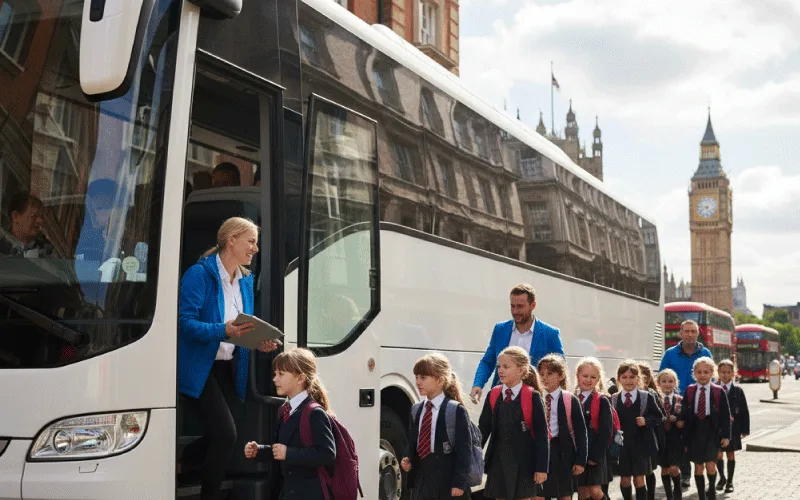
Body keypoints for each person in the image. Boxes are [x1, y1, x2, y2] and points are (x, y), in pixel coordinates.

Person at [178, 217, 278, 500]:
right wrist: (223, 329)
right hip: (200, 367)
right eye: (251, 241)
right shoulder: (199, 275)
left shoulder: (245, 281)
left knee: (222, 435)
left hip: (228, 368)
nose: (255, 249)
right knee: (225, 434)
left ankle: (184, 461)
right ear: (231, 240)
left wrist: (259, 341)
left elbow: (240, 329)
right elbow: (184, 324)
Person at [244, 348, 337, 500]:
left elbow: (327, 454)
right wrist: (259, 451)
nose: (275, 379)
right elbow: (281, 450)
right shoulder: (284, 410)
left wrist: (288, 453)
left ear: (300, 378)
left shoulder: (314, 413)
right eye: (275, 373)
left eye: (281, 374)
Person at [471, 283, 564, 404]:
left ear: (533, 305)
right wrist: (478, 384)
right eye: (512, 306)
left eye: (520, 306)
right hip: (501, 399)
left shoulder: (550, 333)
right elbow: (488, 361)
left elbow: (560, 367)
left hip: (532, 401)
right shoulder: (500, 329)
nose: (515, 311)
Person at [479, 346, 549, 500]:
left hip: (525, 465)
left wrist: (541, 468)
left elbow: (542, 436)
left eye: (506, 367)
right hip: (498, 462)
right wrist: (474, 458)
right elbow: (483, 430)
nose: (500, 370)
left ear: (521, 370)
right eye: (499, 367)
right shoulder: (494, 394)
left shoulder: (532, 397)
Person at [400, 353, 473, 499]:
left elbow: (465, 451)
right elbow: (414, 441)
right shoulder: (416, 409)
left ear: (439, 380)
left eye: (423, 377)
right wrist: (407, 457)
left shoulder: (455, 410)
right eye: (416, 377)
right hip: (423, 479)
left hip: (447, 481)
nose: (418, 382)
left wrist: (459, 483)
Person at [657, 319, 712, 488]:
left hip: (698, 401)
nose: (689, 334)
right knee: (680, 437)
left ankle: (699, 470)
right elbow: (661, 376)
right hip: (678, 402)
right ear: (681, 334)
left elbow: (712, 377)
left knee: (695, 436)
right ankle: (685, 474)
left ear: (697, 334)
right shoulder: (670, 354)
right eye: (686, 331)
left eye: (693, 331)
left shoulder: (706, 353)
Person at [676, 357, 731, 500]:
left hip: (712, 430)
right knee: (698, 466)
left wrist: (726, 436)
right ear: (694, 373)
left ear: (712, 373)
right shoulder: (689, 390)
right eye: (699, 372)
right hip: (694, 431)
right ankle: (701, 495)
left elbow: (725, 415)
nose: (702, 375)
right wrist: (679, 418)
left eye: (706, 372)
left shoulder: (718, 391)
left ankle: (711, 490)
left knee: (711, 465)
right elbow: (685, 410)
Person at [536, 355, 587, 500]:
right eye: (541, 374)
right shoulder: (535, 397)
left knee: (564, 494)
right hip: (541, 452)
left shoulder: (569, 400)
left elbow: (581, 432)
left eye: (550, 374)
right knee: (538, 494)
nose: (544, 378)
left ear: (561, 376)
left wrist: (580, 461)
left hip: (562, 452)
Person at [612, 360, 662, 500]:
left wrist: (647, 421)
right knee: (625, 480)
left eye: (632, 377)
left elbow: (658, 417)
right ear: (619, 379)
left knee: (639, 480)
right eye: (624, 377)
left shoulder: (646, 397)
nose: (628, 380)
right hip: (622, 446)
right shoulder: (614, 399)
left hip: (641, 445)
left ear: (638, 379)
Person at [573, 357, 613, 500]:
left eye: (593, 377)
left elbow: (606, 431)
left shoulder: (602, 400)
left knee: (595, 490)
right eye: (585, 376)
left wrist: (595, 456)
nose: (588, 380)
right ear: (578, 376)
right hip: (579, 453)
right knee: (582, 491)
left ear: (598, 379)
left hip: (596, 453)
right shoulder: (572, 398)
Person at [714, 359, 748, 494]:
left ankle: (730, 481)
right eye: (722, 372)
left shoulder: (738, 391)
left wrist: (745, 429)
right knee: (718, 455)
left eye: (728, 372)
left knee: (731, 455)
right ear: (718, 372)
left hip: (733, 429)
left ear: (733, 373)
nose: (725, 375)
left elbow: (744, 411)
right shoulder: (714, 389)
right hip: (717, 428)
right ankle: (722, 478)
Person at [638, 363, 666, 500]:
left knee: (649, 470)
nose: (643, 378)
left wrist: (647, 421)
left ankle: (651, 496)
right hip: (634, 439)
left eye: (646, 375)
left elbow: (661, 415)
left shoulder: (651, 393)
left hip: (649, 437)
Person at [655, 369, 683, 500]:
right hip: (661, 440)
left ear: (675, 383)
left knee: (674, 469)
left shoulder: (679, 400)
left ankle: (677, 490)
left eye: (670, 381)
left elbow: (685, 419)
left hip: (676, 440)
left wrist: (677, 419)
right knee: (665, 469)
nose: (667, 384)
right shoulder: (655, 399)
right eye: (664, 381)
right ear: (658, 383)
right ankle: (669, 496)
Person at [0, 191, 54, 258]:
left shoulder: (48, 249)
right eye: (34, 216)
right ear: (15, 216)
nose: (40, 220)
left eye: (42, 216)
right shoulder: (2, 248)